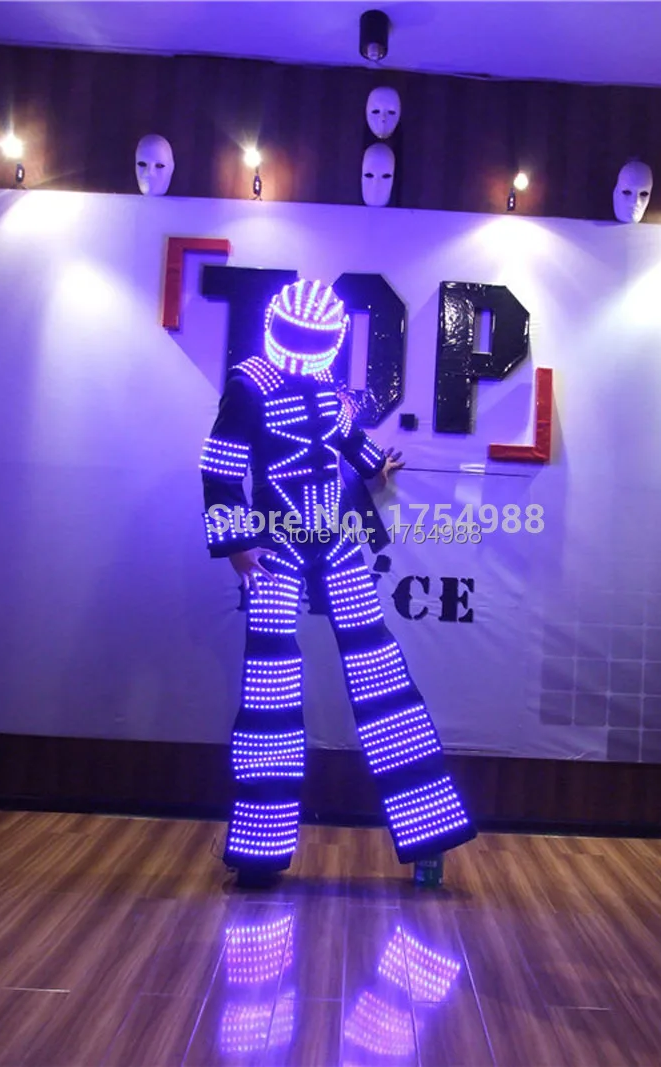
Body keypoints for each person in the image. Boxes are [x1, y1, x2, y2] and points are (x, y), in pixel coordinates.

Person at [201, 278, 476, 877]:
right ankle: (260, 850)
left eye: (316, 339)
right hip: (276, 550)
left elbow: (346, 439)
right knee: (270, 690)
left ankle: (428, 835)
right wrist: (238, 547)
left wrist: (377, 463)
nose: (306, 350)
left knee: (383, 681)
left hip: (338, 542)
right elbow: (219, 468)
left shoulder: (325, 386)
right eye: (300, 337)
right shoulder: (250, 385)